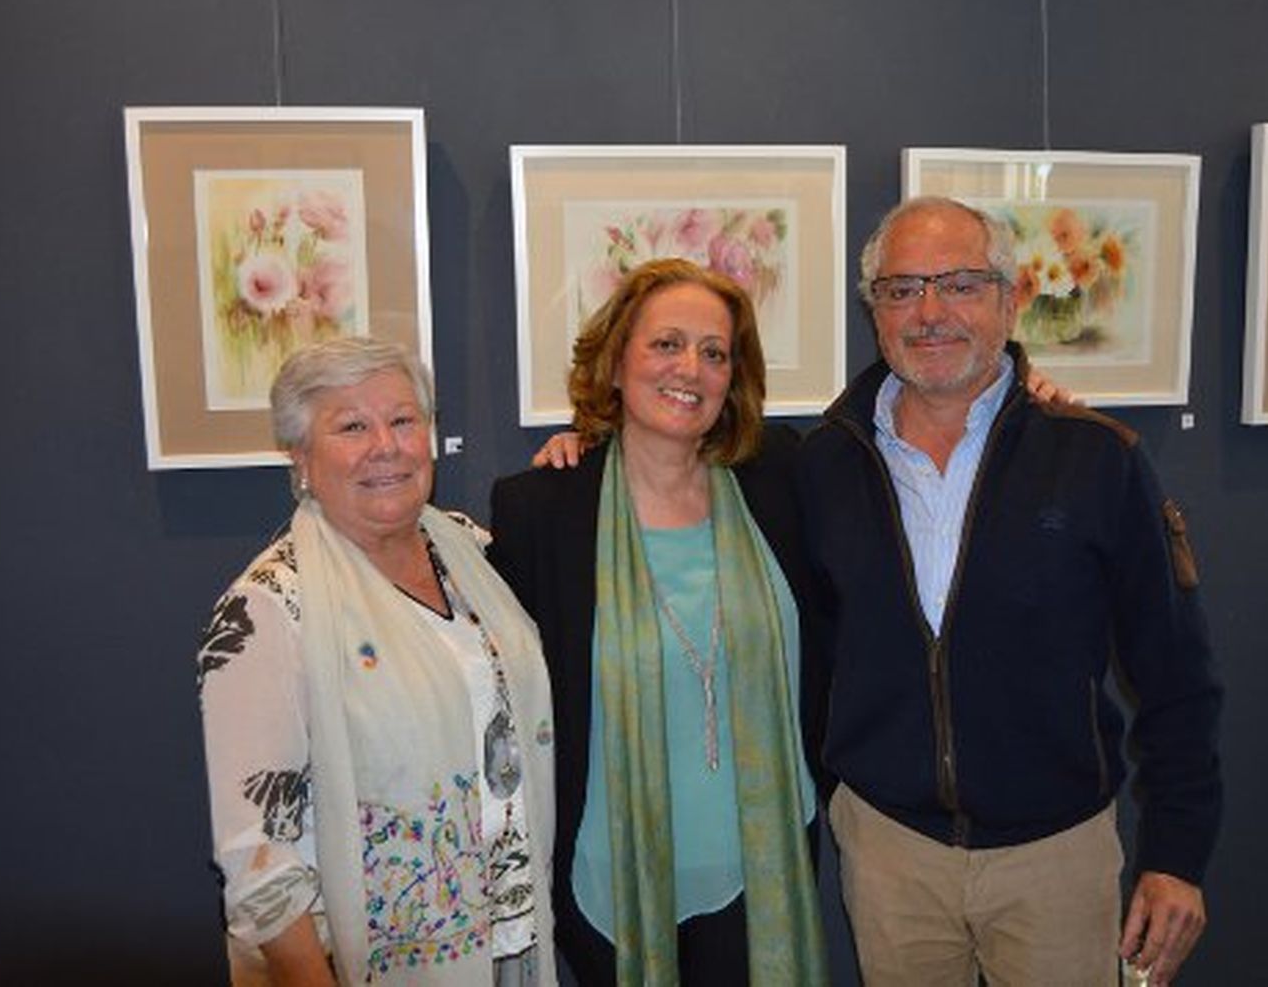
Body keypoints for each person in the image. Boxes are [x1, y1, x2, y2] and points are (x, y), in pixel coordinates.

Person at [799, 196, 1221, 987]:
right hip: (891, 852)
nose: (929, 312)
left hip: (1055, 856)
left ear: (1010, 297)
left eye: (959, 283)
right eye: (902, 289)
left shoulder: (1096, 459)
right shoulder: (825, 463)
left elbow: (1178, 673)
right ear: (875, 309)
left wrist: (1177, 855)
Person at [489, 258, 827, 985]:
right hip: (611, 877)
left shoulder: (781, 477)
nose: (692, 369)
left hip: (764, 867)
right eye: (666, 344)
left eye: (715, 352)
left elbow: (897, 429)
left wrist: (1021, 385)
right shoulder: (543, 510)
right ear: (615, 362)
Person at [195, 337, 556, 986]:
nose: (385, 445)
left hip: (512, 942)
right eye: (352, 426)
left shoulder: (470, 550)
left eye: (402, 420)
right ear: (300, 456)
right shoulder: (267, 608)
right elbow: (258, 862)